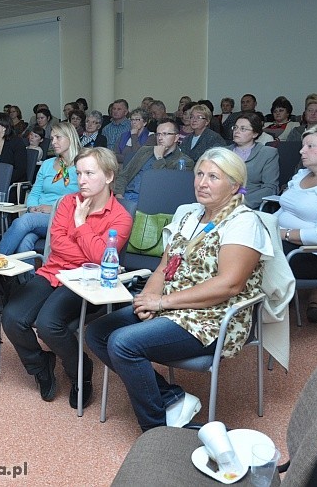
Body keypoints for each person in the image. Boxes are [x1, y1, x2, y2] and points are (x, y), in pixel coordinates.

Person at [86, 147, 274, 432]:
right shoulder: (190, 217)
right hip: (173, 307)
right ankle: (171, 397)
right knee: (97, 332)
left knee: (123, 343)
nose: (202, 182)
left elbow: (229, 284)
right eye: (199, 174)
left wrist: (162, 303)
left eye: (214, 177)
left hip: (213, 317)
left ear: (235, 185)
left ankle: (155, 429)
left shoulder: (244, 222)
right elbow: (163, 268)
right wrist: (147, 300)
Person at [1, 147, 132, 409]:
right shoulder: (67, 202)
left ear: (108, 176)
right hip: (53, 271)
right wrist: (87, 248)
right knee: (12, 318)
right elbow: (57, 245)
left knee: (49, 325)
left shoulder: (121, 217)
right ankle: (40, 365)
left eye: (89, 173)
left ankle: (80, 373)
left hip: (84, 282)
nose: (81, 180)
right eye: (79, 173)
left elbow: (101, 258)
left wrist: (81, 224)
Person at [275, 124, 317, 323]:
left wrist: (280, 233)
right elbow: (282, 210)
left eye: (310, 146)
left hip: (314, 256)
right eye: (303, 146)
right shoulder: (302, 175)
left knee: (247, 257)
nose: (302, 151)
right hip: (284, 244)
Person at [0, 123, 82, 255]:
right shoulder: (48, 164)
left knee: (25, 221)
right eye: (52, 138)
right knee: (25, 242)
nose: (53, 142)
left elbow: (83, 199)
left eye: (58, 138)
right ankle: (29, 276)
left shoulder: (81, 166)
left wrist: (54, 208)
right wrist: (32, 207)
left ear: (70, 138)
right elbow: (35, 192)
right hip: (38, 215)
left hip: (64, 217)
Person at [114, 119, 194, 202]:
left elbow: (169, 188)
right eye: (158, 134)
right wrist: (119, 195)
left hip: (152, 201)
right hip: (125, 196)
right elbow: (124, 175)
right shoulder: (145, 151)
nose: (160, 138)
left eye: (165, 134)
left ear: (176, 138)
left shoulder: (184, 162)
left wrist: (159, 158)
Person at [228, 113, 279, 209]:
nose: (236, 131)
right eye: (235, 127)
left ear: (255, 134)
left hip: (249, 204)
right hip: (220, 201)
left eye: (243, 129)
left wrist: (241, 202)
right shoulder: (224, 152)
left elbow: (270, 188)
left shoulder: (267, 153)